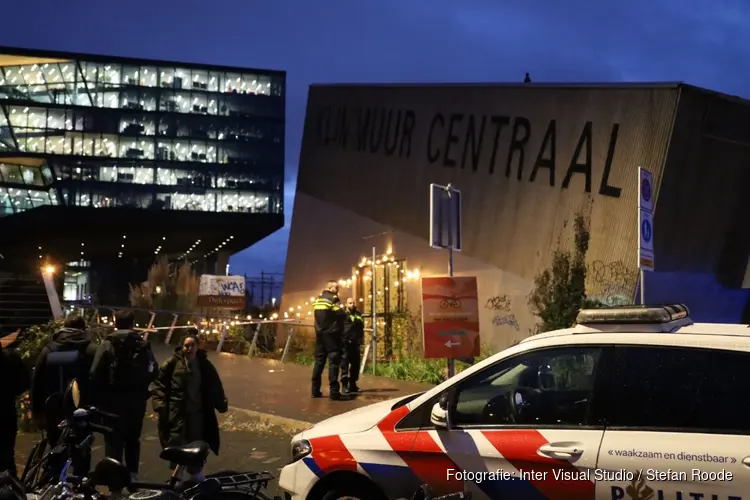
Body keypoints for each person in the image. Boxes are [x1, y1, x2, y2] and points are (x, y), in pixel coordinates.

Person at [150, 331, 228, 481]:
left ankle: (194, 474)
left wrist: (221, 403)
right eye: (186, 345)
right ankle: (176, 477)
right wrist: (160, 405)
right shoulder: (172, 364)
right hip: (177, 414)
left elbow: (215, 386)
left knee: (196, 443)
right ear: (182, 347)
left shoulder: (204, 366)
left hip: (197, 414)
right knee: (178, 444)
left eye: (192, 345)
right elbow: (158, 384)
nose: (189, 348)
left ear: (198, 347)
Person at [89, 309, 157, 480]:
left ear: (115, 323)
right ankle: (133, 476)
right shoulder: (142, 344)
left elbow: (95, 372)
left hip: (112, 403)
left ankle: (114, 482)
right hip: (136, 401)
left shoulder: (108, 344)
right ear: (132, 323)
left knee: (113, 441)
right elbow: (154, 370)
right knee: (133, 439)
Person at [30, 315, 97, 448]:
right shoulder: (92, 349)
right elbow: (99, 379)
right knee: (82, 447)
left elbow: (37, 382)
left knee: (55, 447)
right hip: (82, 409)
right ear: (83, 329)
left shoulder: (48, 350)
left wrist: (37, 413)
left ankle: (55, 468)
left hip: (54, 407)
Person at [0, 337, 30, 478]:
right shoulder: (11, 358)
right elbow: (25, 382)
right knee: (7, 454)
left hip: (7, 411)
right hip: (6, 411)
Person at [311, 281, 347, 400]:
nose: (337, 290)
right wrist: (344, 312)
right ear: (331, 288)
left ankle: (315, 390)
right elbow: (340, 314)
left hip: (319, 335)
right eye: (336, 288)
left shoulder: (318, 299)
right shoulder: (333, 299)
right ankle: (334, 392)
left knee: (319, 362)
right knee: (333, 363)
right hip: (331, 335)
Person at [340, 297, 364, 395]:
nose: (352, 304)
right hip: (345, 344)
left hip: (355, 343)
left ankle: (353, 385)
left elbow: (361, 327)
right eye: (350, 303)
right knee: (344, 366)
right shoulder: (342, 315)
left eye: (353, 303)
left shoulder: (358, 314)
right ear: (346, 304)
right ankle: (344, 386)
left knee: (355, 365)